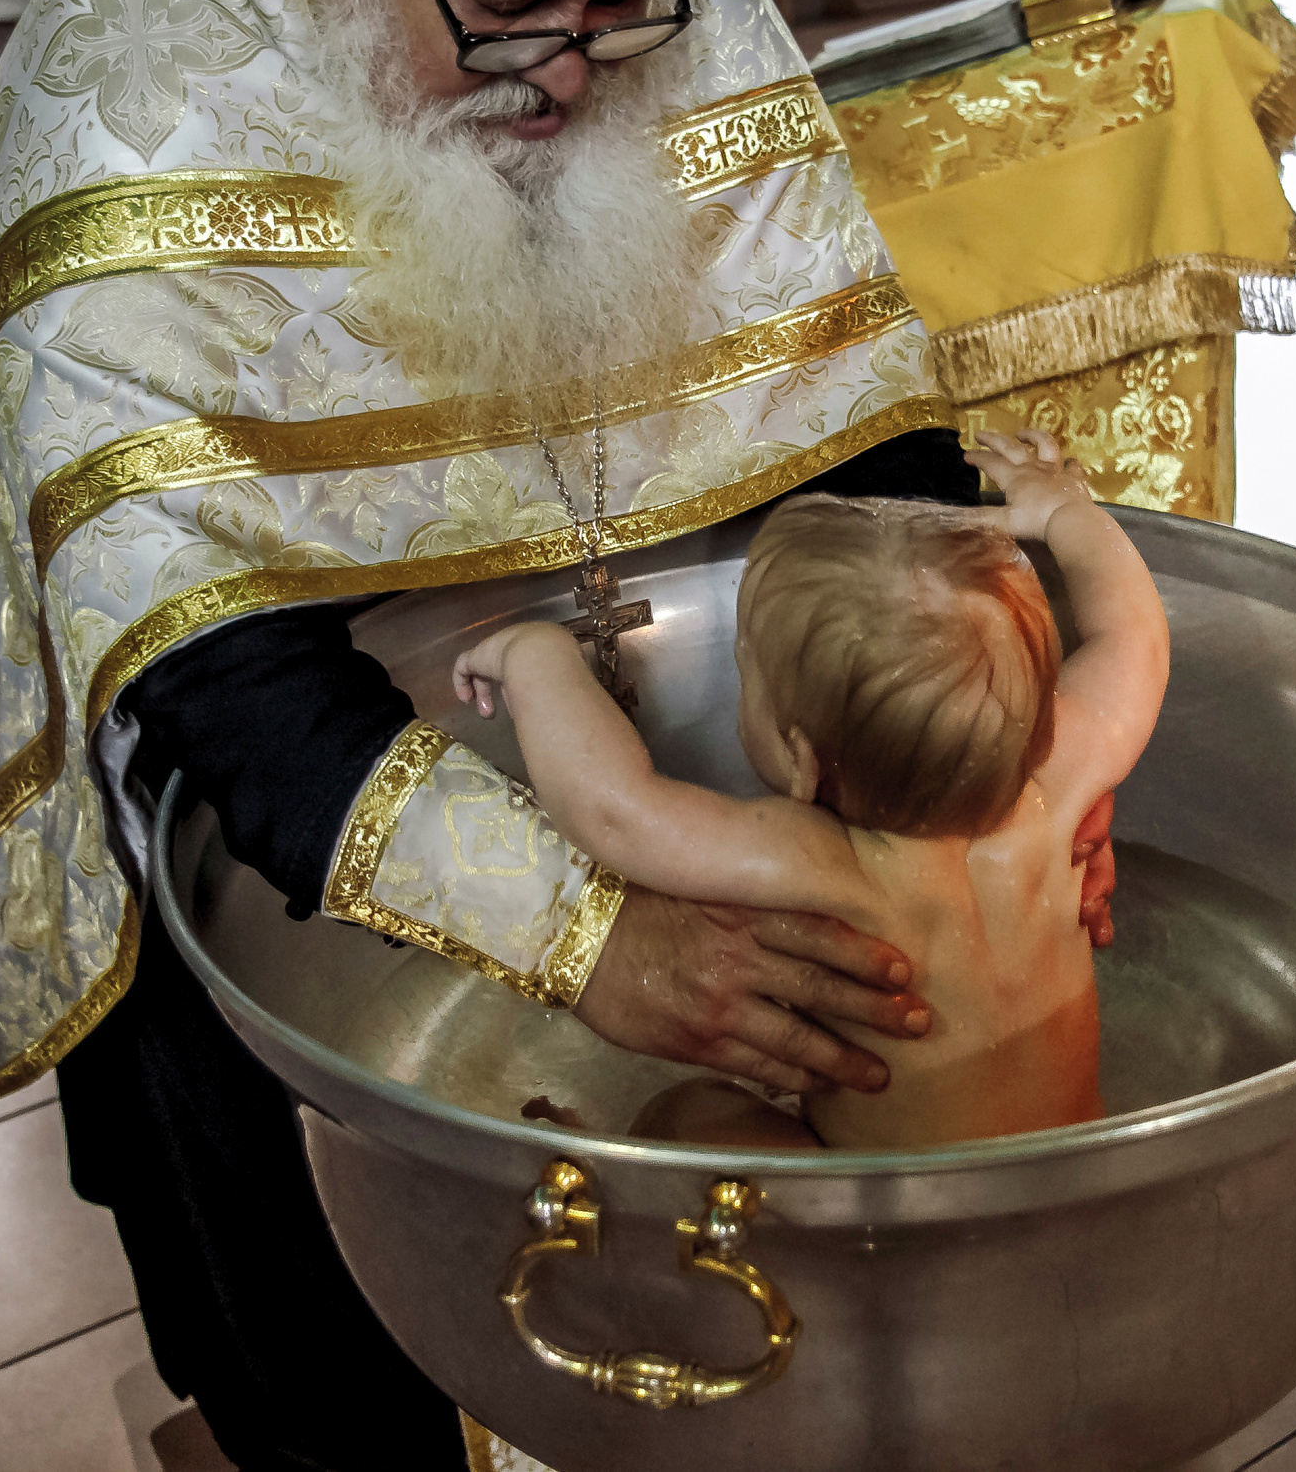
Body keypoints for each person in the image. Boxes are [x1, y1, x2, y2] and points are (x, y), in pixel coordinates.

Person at [0, 0, 1118, 1465]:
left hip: (533, 655)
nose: (577, 67)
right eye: (507, 7)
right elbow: (208, 665)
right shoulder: (132, 69)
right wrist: (593, 939)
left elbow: (836, 373)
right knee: (335, 1353)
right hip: (271, 723)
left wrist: (1003, 719)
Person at [451, 429, 1169, 1149]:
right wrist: (1063, 512)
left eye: (745, 668)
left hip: (883, 1224)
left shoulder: (832, 867)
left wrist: (535, 659)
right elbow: (1132, 634)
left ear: (801, 760)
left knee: (693, 1114)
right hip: (1075, 1166)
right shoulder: (1061, 778)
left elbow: (612, 811)